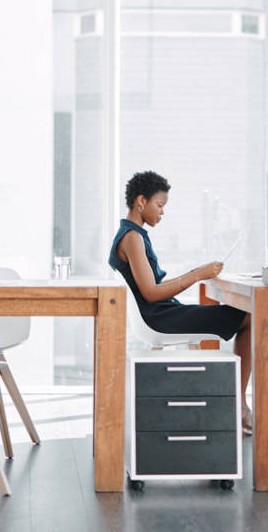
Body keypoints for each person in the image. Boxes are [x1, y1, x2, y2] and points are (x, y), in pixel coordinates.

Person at [109, 171, 254, 435]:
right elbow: (151, 293)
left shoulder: (132, 234)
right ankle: (239, 404)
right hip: (159, 317)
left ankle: (236, 401)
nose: (162, 213)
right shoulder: (132, 238)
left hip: (162, 312)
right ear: (141, 201)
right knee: (250, 318)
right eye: (160, 205)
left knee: (240, 316)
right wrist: (198, 274)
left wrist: (197, 272)